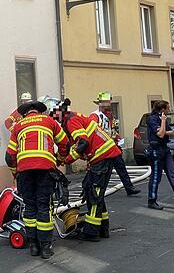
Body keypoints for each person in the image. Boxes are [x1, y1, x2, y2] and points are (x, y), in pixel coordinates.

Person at [50, 97, 122, 242]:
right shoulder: (69, 120)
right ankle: (103, 228)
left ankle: (91, 232)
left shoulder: (71, 120)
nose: (52, 118)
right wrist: (57, 159)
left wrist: (67, 160)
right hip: (101, 157)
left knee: (93, 194)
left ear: (59, 111)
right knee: (91, 189)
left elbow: (83, 142)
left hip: (102, 157)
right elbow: (72, 146)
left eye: (52, 114)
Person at [5, 99, 69, 260]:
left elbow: (9, 156)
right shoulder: (49, 121)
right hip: (44, 169)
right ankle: (46, 247)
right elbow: (65, 143)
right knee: (43, 206)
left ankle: (33, 245)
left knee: (30, 206)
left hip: (25, 172)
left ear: (25, 113)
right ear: (39, 111)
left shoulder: (18, 126)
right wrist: (59, 159)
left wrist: (15, 173)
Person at [91, 91, 140, 196]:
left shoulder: (108, 117)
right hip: (103, 150)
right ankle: (96, 192)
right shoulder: (95, 116)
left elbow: (111, 131)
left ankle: (129, 187)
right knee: (104, 173)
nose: (109, 106)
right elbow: (93, 131)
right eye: (106, 103)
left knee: (121, 166)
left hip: (112, 147)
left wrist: (117, 138)